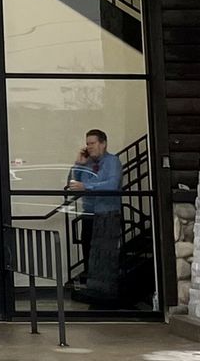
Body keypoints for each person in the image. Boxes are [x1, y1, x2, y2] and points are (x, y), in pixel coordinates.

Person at [65, 128, 121, 303]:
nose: (89, 147)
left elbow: (112, 184)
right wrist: (78, 164)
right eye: (87, 144)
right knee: (89, 250)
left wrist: (87, 187)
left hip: (107, 213)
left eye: (93, 143)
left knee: (105, 252)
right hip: (89, 214)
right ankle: (92, 289)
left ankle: (106, 291)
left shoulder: (112, 161)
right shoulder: (87, 163)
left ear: (103, 144)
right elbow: (73, 184)